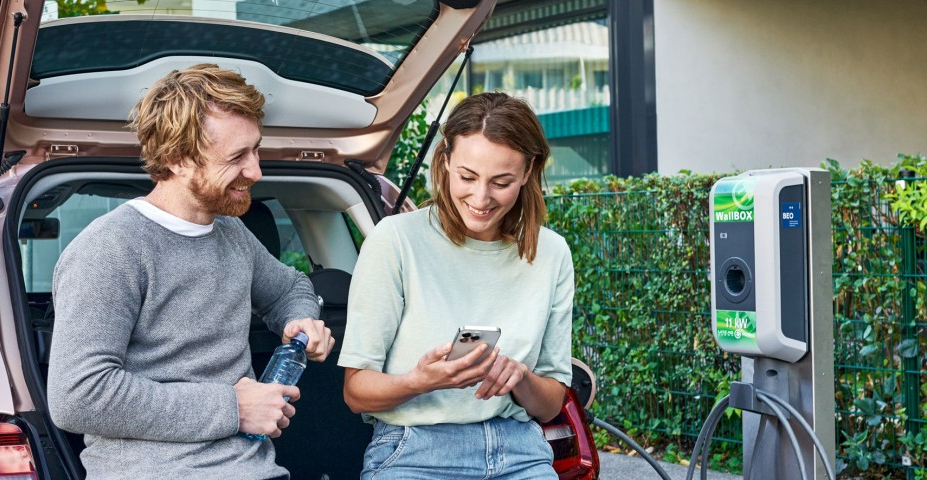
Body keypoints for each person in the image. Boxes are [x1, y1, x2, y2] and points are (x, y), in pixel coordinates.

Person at [47, 64, 334, 480]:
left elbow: (290, 286)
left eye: (255, 150)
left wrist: (297, 319)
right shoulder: (109, 249)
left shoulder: (231, 232)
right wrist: (232, 409)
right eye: (237, 157)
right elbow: (78, 396)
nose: (256, 172)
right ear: (176, 160)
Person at [338, 92, 573, 479]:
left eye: (501, 182)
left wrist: (520, 378)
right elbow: (355, 391)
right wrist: (419, 381)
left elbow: (549, 406)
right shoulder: (395, 240)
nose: (480, 198)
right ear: (445, 161)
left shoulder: (552, 254)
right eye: (467, 177)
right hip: (413, 451)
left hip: (520, 453)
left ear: (528, 172)